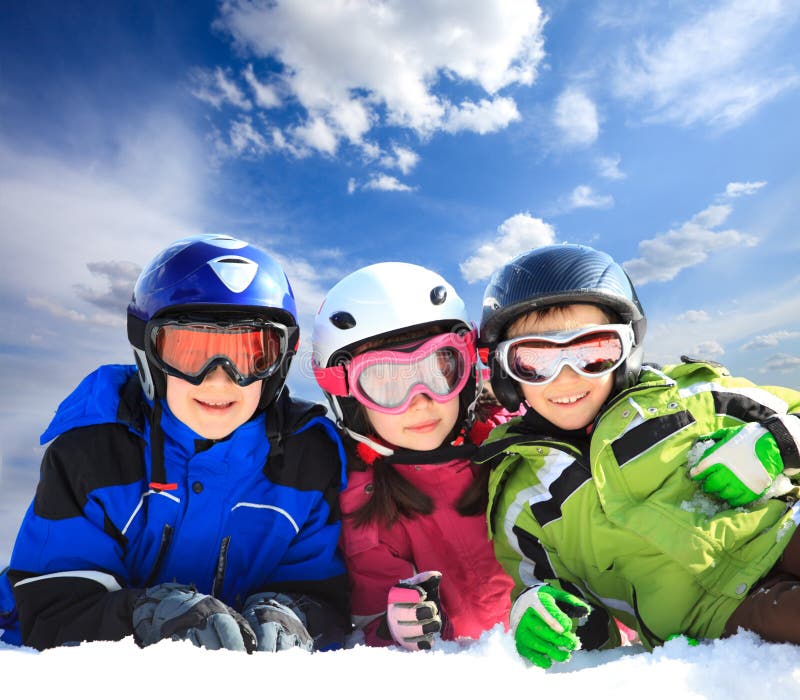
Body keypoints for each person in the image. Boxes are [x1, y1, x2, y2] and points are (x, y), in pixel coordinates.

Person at [0, 234, 349, 652]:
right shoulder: (93, 454)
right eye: (190, 350)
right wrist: (145, 616)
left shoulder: (307, 461)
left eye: (249, 354)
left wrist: (292, 614)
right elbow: (49, 609)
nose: (219, 378)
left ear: (277, 366)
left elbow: (326, 595)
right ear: (150, 354)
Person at [475, 243, 800, 669]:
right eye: (535, 360)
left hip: (783, 532)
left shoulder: (689, 399)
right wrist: (539, 611)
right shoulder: (523, 495)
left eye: (593, 351)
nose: (567, 377)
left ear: (626, 351)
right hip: (710, 616)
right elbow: (543, 589)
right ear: (506, 374)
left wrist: (775, 442)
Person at [312, 262, 514, 650]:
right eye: (386, 383)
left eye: (440, 370)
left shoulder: (514, 450)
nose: (419, 401)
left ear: (468, 371)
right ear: (352, 401)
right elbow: (370, 621)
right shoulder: (367, 506)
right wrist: (394, 628)